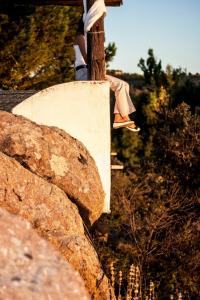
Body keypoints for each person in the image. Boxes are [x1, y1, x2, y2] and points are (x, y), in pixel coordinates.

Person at [73, 16, 140, 132]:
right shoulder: (80, 37)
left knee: (124, 85)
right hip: (84, 72)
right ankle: (122, 117)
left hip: (90, 70)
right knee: (121, 85)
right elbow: (87, 58)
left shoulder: (89, 38)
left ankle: (120, 117)